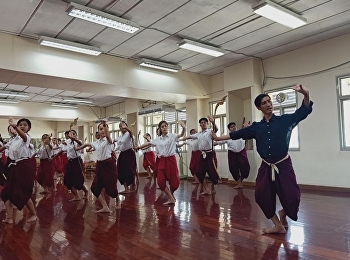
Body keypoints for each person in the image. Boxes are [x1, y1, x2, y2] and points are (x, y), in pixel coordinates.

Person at [212, 84, 313, 234]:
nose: (268, 104)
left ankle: (283, 213)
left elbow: (302, 112)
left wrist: (306, 94)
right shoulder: (256, 127)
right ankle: (277, 225)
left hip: (283, 164)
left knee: (293, 196)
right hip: (266, 165)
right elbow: (237, 134)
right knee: (261, 195)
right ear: (259, 107)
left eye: (269, 101)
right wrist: (218, 137)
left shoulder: (284, 121)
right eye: (264, 103)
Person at [137, 120, 186, 206]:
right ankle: (171, 198)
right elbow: (148, 143)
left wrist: (184, 127)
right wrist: (138, 147)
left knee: (174, 182)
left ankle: (171, 195)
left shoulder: (172, 136)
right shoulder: (157, 140)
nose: (164, 128)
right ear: (160, 129)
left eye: (165, 126)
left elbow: (181, 135)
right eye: (162, 127)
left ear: (168, 127)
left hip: (171, 160)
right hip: (162, 161)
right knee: (160, 181)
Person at [75, 122, 119, 213]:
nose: (102, 130)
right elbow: (87, 144)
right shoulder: (96, 142)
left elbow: (107, 135)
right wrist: (78, 149)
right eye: (100, 129)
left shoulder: (108, 140)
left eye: (104, 128)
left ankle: (118, 199)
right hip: (100, 165)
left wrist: (105, 125)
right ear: (98, 131)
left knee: (111, 188)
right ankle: (105, 207)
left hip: (109, 165)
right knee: (94, 188)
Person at [0, 118, 37, 223]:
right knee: (6, 193)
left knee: (22, 192)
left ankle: (34, 214)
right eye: (20, 124)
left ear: (29, 128)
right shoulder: (13, 140)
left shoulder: (26, 138)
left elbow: (23, 136)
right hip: (13, 168)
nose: (22, 126)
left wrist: (15, 126)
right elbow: (3, 148)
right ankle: (10, 218)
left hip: (23, 168)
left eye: (25, 125)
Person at [182, 117, 219, 195]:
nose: (203, 124)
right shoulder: (198, 134)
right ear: (200, 124)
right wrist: (181, 139)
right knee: (199, 172)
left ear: (207, 123)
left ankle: (212, 187)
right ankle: (206, 189)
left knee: (212, 173)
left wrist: (213, 122)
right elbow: (190, 137)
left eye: (204, 122)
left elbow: (216, 129)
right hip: (202, 154)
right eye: (201, 123)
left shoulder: (210, 131)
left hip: (210, 154)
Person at [52, 130, 88, 201]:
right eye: (70, 134)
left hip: (77, 161)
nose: (71, 135)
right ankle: (76, 196)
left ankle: (85, 191)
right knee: (67, 180)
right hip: (70, 162)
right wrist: (53, 157)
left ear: (76, 135)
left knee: (78, 180)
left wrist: (75, 140)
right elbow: (61, 150)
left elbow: (81, 144)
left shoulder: (78, 141)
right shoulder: (67, 142)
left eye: (73, 134)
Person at [217, 122, 250, 189]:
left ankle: (240, 181)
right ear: (229, 129)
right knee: (233, 169)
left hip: (242, 153)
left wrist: (247, 127)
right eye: (231, 127)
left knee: (246, 168)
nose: (233, 127)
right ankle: (239, 183)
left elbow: (249, 133)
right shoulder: (227, 137)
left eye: (234, 126)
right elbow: (218, 141)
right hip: (232, 154)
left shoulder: (242, 133)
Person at [115, 121, 137, 194]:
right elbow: (115, 142)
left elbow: (131, 133)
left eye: (123, 125)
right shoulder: (120, 137)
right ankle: (126, 188)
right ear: (120, 128)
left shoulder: (128, 134)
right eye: (120, 126)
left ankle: (132, 181)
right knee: (120, 170)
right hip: (122, 154)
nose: (122, 127)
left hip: (129, 154)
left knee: (129, 170)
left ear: (126, 126)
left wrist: (127, 128)